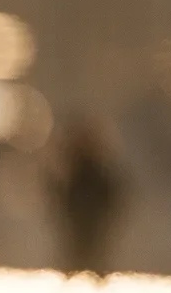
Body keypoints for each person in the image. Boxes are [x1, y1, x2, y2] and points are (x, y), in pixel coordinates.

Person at [49, 115, 124, 275]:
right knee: (81, 259)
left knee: (89, 258)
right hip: (80, 235)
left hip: (91, 233)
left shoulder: (96, 177)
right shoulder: (74, 177)